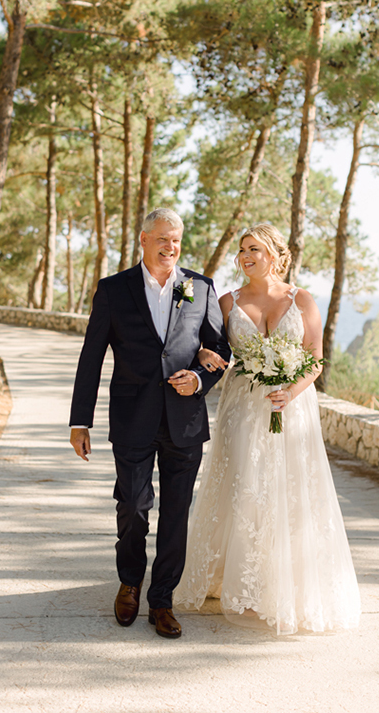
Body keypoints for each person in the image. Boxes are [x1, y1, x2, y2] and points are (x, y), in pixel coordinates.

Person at [176, 223, 361, 636]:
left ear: (276, 254)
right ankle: (243, 580)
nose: (245, 256)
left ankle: (285, 585)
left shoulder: (302, 299)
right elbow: (213, 349)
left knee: (289, 490)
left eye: (254, 248)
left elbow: (315, 358)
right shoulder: (226, 301)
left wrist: (290, 392)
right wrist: (206, 354)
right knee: (245, 486)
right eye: (242, 249)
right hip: (242, 408)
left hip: (291, 410)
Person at [69, 208, 231, 639]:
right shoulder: (113, 290)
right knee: (134, 508)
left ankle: (162, 600)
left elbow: (219, 352)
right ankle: (129, 583)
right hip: (132, 417)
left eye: (176, 239)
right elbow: (91, 358)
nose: (171, 247)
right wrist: (79, 421)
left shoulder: (200, 286)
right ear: (143, 239)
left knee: (176, 514)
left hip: (185, 421)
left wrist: (198, 378)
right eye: (162, 238)